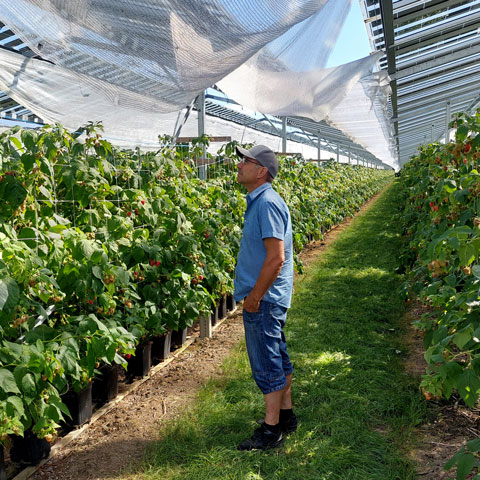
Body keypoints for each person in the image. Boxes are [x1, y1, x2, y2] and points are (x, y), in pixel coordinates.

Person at [234, 144, 296, 451]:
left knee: (266, 362)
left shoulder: (267, 203)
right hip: (270, 297)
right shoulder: (261, 201)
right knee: (278, 356)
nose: (239, 164)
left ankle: (271, 431)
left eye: (245, 161)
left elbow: (276, 258)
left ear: (262, 171)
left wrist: (255, 297)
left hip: (266, 298)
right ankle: (286, 416)